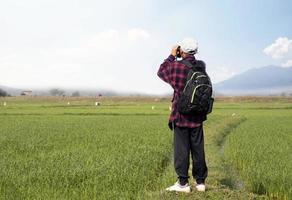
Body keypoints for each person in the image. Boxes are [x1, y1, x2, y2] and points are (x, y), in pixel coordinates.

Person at [157, 38, 208, 193]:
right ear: (195, 51)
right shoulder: (201, 67)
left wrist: (172, 55)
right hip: (198, 116)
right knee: (198, 149)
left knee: (182, 150)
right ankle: (200, 183)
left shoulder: (176, 66)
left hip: (181, 116)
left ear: (182, 50)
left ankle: (183, 184)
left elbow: (161, 71)